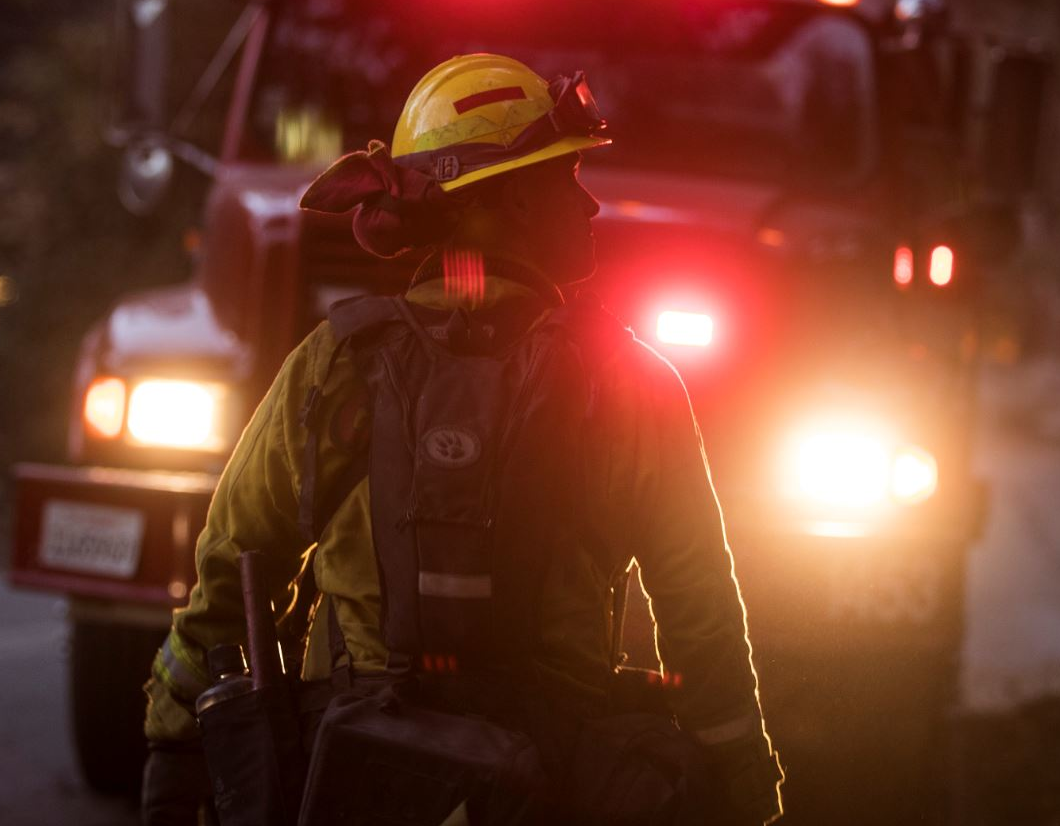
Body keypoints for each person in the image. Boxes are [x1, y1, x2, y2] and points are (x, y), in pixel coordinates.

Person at [140, 53, 783, 825]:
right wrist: (745, 791)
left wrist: (171, 744)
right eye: (565, 179)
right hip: (549, 783)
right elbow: (700, 617)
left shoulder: (333, 365)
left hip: (348, 782)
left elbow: (230, 570)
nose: (589, 207)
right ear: (508, 199)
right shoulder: (625, 381)